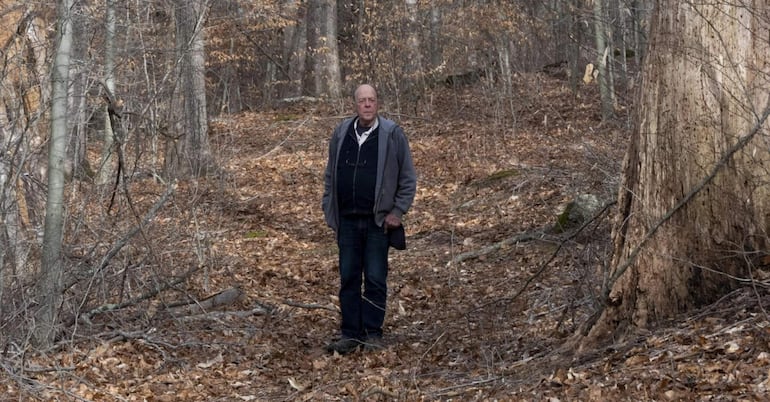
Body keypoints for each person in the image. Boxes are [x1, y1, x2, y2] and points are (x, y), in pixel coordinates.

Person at [322, 84, 417, 354]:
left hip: (378, 222)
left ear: (377, 104)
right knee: (349, 278)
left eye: (371, 100)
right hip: (347, 222)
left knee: (375, 278)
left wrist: (397, 212)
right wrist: (330, 211)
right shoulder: (341, 133)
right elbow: (330, 176)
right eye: (362, 100)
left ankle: (373, 333)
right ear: (355, 104)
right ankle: (350, 333)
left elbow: (408, 178)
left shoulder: (392, 134)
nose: (367, 105)